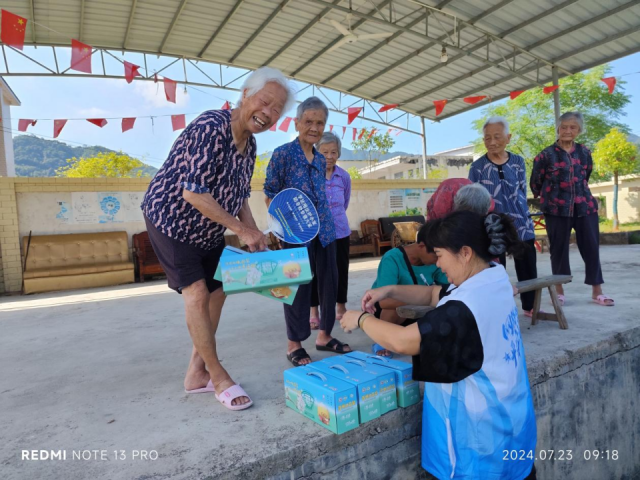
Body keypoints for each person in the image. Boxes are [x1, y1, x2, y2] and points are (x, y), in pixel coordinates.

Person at [340, 211, 538, 480]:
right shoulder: (494, 278)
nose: (438, 265)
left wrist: (360, 319)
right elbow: (434, 293)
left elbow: (403, 340)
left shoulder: (463, 309)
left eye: (441, 255)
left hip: (479, 447)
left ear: (465, 253)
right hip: (513, 426)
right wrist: (389, 290)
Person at [141, 66, 295, 411]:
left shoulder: (251, 145)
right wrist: (242, 231)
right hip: (173, 220)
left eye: (276, 110)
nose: (268, 113)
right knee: (195, 292)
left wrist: (254, 235)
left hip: (209, 227)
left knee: (220, 287)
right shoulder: (211, 126)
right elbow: (193, 193)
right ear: (245, 95)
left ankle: (196, 371)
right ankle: (217, 373)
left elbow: (239, 195)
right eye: (264, 102)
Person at [264, 97, 351, 368]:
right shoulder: (282, 154)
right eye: (309, 121)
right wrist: (283, 227)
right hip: (295, 235)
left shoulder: (319, 159)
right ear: (297, 122)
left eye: (320, 122)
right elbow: (269, 194)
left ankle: (324, 336)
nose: (314, 127)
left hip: (326, 231)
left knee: (329, 283)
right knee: (296, 287)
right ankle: (294, 344)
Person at [371, 183, 492, 357]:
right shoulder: (392, 258)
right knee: (394, 308)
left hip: (414, 307)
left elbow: (448, 287)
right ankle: (382, 341)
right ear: (421, 247)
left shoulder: (435, 264)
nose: (439, 262)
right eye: (437, 255)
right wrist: (424, 299)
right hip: (390, 310)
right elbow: (384, 302)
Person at [530, 111, 613, 307]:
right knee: (558, 250)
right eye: (564, 127)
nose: (568, 131)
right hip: (556, 209)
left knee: (591, 248)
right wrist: (551, 196)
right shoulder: (545, 155)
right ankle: (559, 292)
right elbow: (536, 182)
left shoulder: (585, 152)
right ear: (558, 128)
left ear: (579, 130)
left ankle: (597, 291)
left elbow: (586, 176)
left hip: (585, 206)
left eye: (573, 127)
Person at [469, 116, 538, 317]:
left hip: (521, 222)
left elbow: (522, 191)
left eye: (497, 137)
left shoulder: (518, 162)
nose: (492, 142)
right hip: (492, 225)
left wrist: (522, 215)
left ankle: (529, 305)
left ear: (508, 137)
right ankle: (500, 308)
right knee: (496, 269)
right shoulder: (478, 167)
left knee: (527, 265)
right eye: (487, 138)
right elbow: (474, 198)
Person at [309, 131, 352, 330]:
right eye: (324, 152)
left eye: (333, 152)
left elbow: (345, 202)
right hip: (316, 232)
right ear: (316, 153)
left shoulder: (344, 176)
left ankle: (340, 307)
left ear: (339, 154)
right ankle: (313, 311)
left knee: (340, 270)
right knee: (315, 272)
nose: (329, 156)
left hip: (340, 231)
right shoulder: (310, 174)